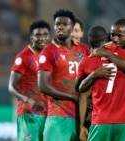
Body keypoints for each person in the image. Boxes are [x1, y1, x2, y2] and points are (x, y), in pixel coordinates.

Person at [77, 26, 125, 141]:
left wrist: (82, 126)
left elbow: (82, 93)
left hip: (100, 122)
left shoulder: (87, 61)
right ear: (109, 38)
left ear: (89, 41)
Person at [37, 9, 89, 141]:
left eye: (64, 24)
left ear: (72, 28)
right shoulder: (49, 52)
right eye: (57, 24)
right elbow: (43, 85)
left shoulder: (83, 50)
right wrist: (73, 97)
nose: (60, 27)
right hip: (58, 116)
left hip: (82, 116)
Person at [8, 20, 51, 141]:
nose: (42, 38)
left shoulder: (50, 57)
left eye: (45, 35)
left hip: (48, 113)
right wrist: (28, 100)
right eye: (38, 35)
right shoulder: (23, 57)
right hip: (28, 113)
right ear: (31, 37)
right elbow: (11, 86)